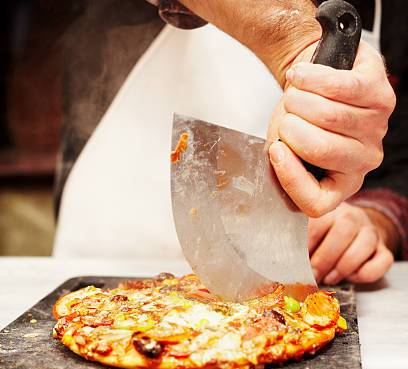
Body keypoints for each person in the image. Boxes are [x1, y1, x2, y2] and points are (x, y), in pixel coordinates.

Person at [54, 0, 406, 286]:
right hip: (109, 280)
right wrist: (295, 42)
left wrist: (372, 222)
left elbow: (400, 162)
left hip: (295, 292)